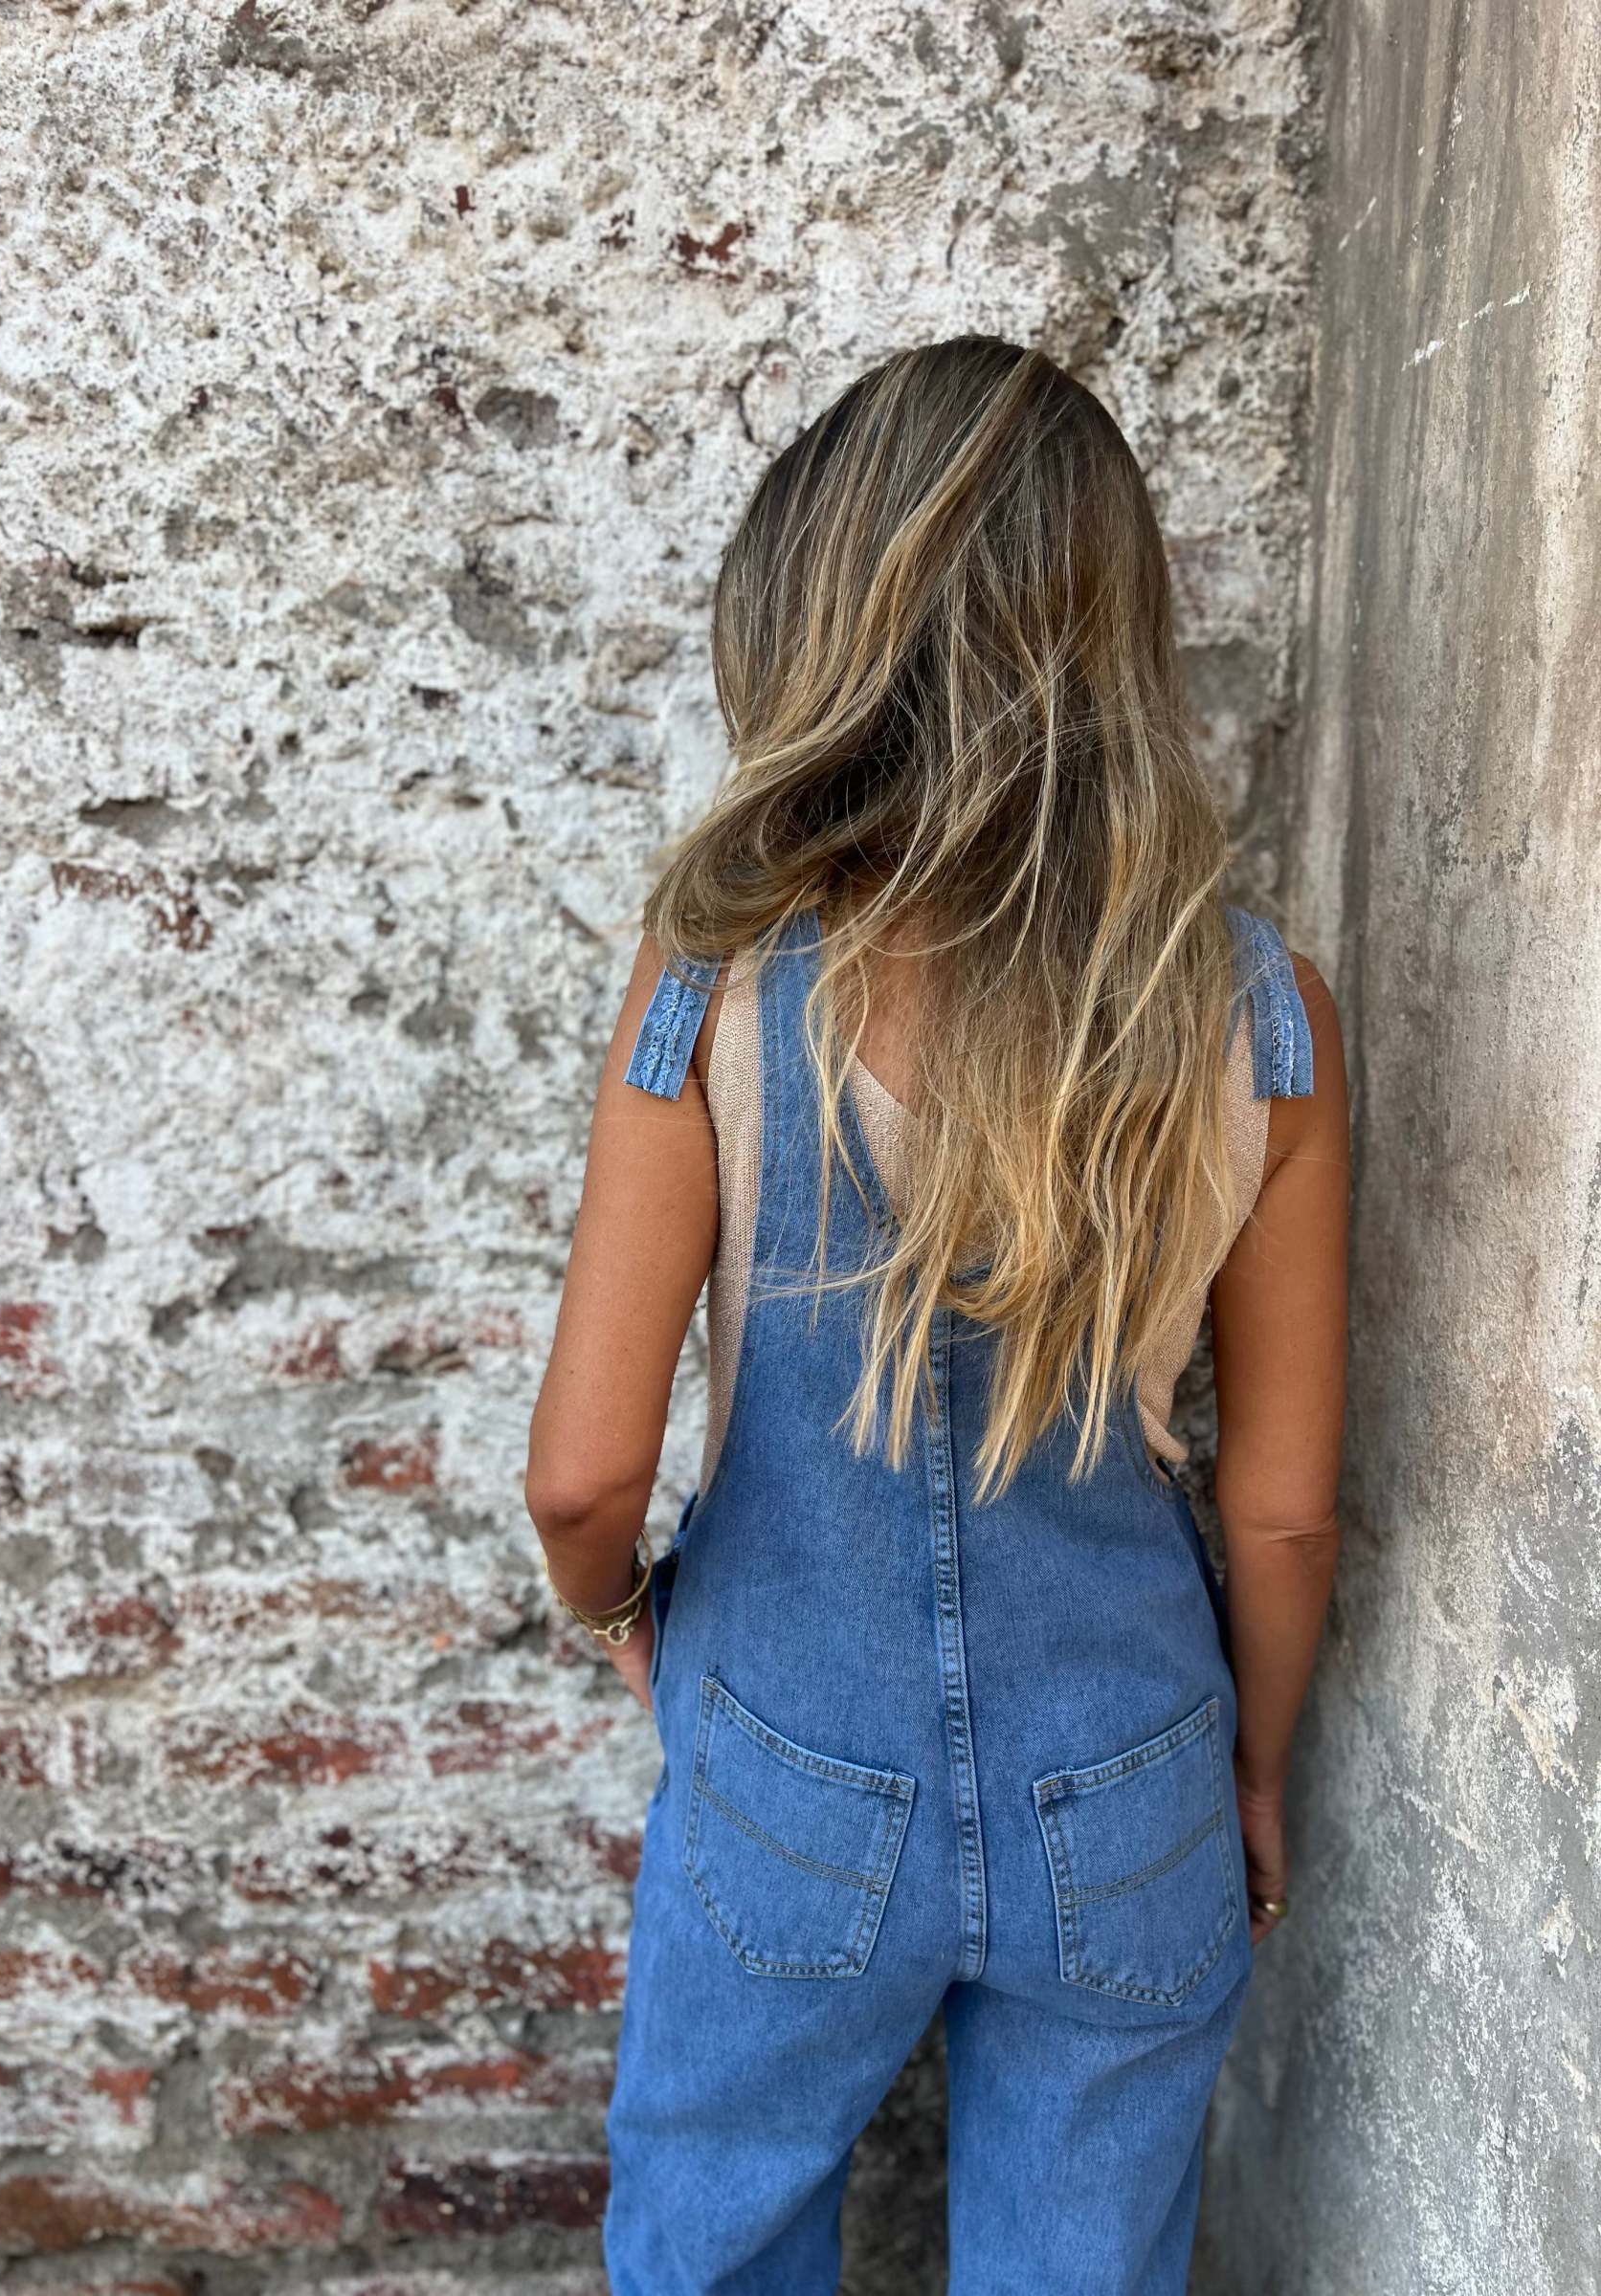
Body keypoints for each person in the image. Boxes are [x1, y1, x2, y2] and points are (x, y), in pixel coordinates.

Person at [524, 335, 1349, 2294]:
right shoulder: (1263, 1014)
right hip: (1131, 1783)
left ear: (816, 616)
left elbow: (582, 1476)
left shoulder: (714, 975)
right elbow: (1283, 1511)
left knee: (714, 2242)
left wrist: (622, 1619)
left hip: (789, 1765)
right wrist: (1249, 1771)